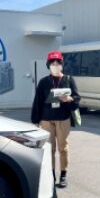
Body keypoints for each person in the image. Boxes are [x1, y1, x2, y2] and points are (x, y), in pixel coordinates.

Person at [31, 51, 81, 188]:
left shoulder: (69, 79)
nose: (55, 65)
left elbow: (77, 99)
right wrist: (36, 119)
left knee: (63, 148)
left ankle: (63, 175)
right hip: (46, 119)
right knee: (49, 149)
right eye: (52, 63)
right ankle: (51, 175)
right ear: (48, 65)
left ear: (62, 64)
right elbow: (37, 101)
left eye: (58, 63)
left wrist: (70, 99)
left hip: (63, 118)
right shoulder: (43, 82)